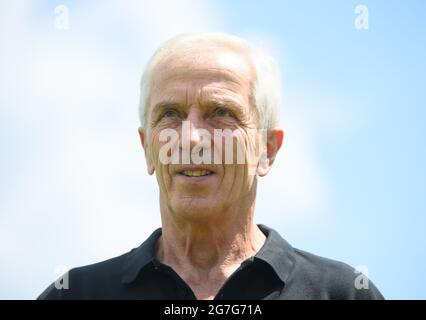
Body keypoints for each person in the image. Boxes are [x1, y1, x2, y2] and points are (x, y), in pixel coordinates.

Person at [38, 32, 384, 300]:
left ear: (267, 148)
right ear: (147, 149)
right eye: (170, 114)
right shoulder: (75, 294)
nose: (191, 139)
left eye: (221, 113)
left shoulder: (343, 293)